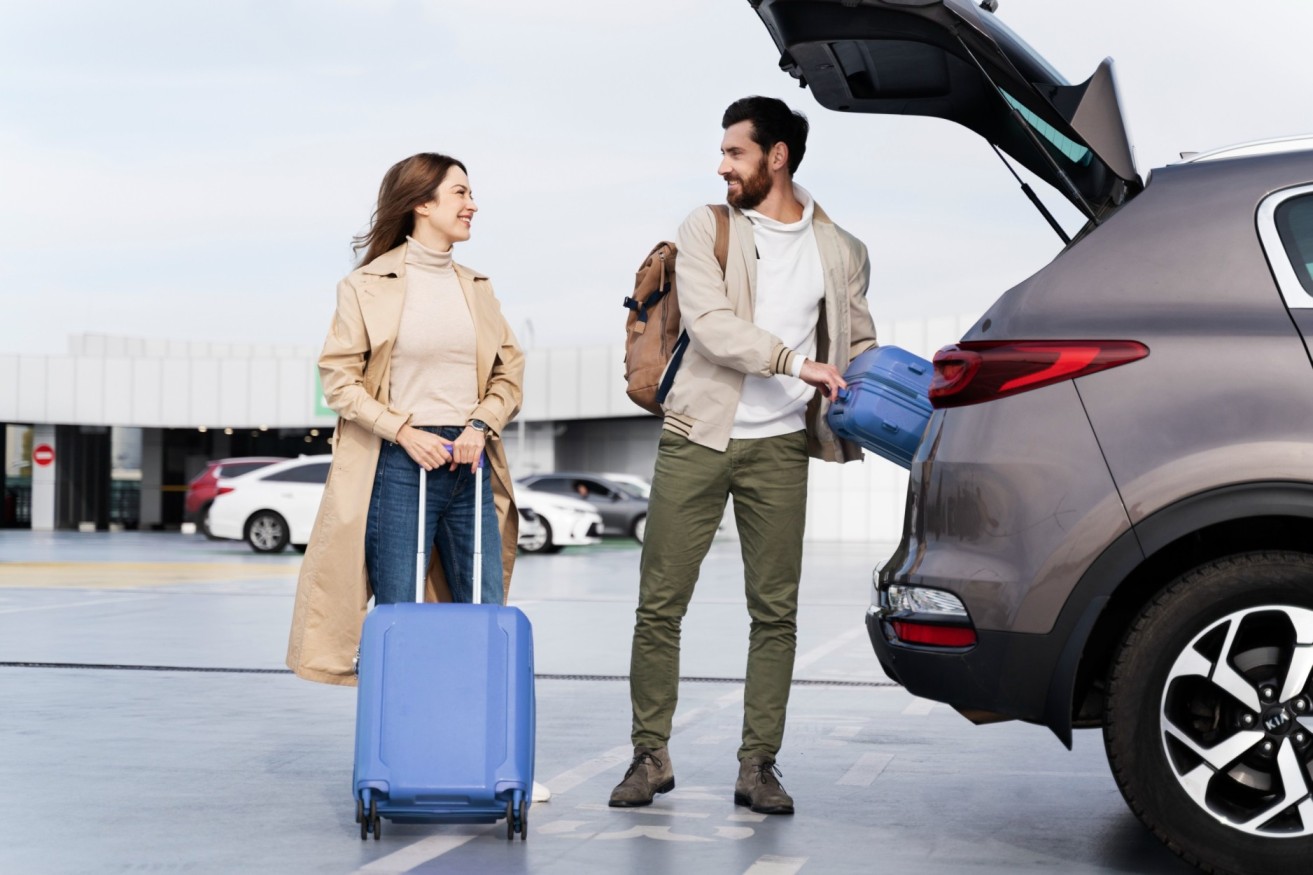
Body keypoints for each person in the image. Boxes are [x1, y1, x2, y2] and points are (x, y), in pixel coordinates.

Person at [609, 97, 877, 815]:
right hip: (697, 433)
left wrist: (910, 392)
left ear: (776, 156)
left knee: (775, 611)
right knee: (659, 605)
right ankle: (649, 754)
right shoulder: (707, 226)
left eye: (735, 153)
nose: (721, 165)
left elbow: (855, 344)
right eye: (723, 153)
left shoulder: (841, 248)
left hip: (781, 446)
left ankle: (758, 764)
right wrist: (795, 360)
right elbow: (713, 326)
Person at [286, 152, 524, 687]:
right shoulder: (366, 286)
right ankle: (399, 748)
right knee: (401, 611)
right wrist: (404, 433)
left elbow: (509, 373)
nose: (473, 204)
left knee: (485, 605)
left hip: (470, 459)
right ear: (421, 202)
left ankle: (477, 743)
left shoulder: (478, 287)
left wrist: (479, 427)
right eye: (460, 193)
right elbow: (338, 381)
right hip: (398, 462)